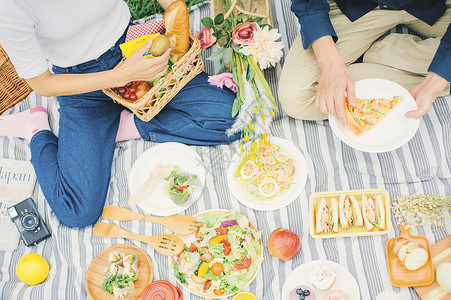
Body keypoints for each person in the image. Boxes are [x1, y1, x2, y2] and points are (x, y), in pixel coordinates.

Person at [0, 0, 238, 227]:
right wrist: (121, 76)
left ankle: (127, 125)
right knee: (76, 210)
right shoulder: (10, 8)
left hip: (133, 50)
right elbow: (43, 84)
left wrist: (178, 19)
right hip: (81, 83)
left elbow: (174, 10)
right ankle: (34, 128)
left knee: (235, 118)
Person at [279, 0, 451, 125]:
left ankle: (389, 53)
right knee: (295, 97)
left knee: (444, 74)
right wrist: (330, 64)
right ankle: (351, 77)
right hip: (358, 6)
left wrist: (435, 83)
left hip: (436, 7)